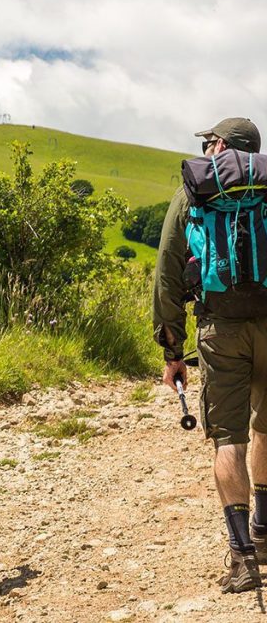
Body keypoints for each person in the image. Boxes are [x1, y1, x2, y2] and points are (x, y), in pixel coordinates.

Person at [154, 117, 267, 594]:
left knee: (228, 438)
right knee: (265, 425)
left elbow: (168, 268)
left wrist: (172, 349)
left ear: (220, 145)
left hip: (220, 328)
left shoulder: (194, 190)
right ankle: (263, 527)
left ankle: (243, 557)